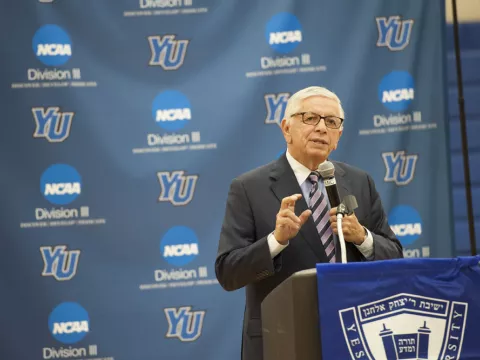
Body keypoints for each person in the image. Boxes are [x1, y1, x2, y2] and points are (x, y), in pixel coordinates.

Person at [215, 86, 403, 360]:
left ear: (338, 135)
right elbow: (228, 272)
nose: (321, 128)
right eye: (310, 118)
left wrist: (362, 237)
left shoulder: (359, 181)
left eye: (331, 122)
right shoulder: (249, 188)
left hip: (353, 337)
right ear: (286, 128)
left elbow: (395, 256)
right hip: (283, 339)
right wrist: (275, 241)